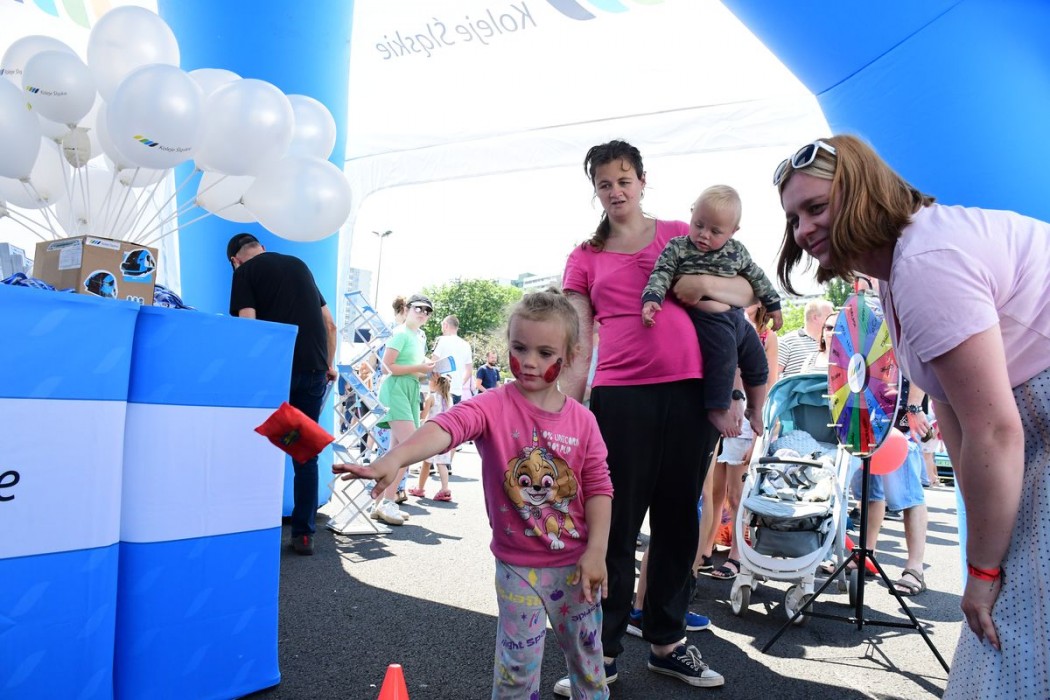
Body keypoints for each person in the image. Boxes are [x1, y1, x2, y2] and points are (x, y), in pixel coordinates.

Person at [775, 134, 1050, 699]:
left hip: (1030, 440)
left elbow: (995, 432)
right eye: (794, 217)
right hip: (1028, 448)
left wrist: (982, 571)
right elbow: (954, 413)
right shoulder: (896, 270)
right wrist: (983, 564)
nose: (801, 231)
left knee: (1011, 642)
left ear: (862, 191)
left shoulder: (925, 261)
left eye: (816, 207)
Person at [334, 291, 614, 700]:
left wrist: (598, 551)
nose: (529, 361)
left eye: (544, 352)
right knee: (516, 674)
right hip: (516, 566)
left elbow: (600, 487)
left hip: (575, 566)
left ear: (570, 356)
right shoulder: (492, 406)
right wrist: (394, 458)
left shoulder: (583, 422)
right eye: (519, 348)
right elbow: (447, 426)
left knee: (589, 666)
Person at [554, 139, 758, 695]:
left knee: (678, 521)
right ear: (595, 191)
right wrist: (566, 413)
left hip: (693, 396)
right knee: (614, 525)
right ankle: (603, 652)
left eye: (624, 180)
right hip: (620, 400)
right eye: (604, 183)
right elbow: (577, 340)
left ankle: (668, 643)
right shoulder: (584, 256)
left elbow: (743, 293)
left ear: (642, 181)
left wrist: (733, 388)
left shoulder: (679, 233)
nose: (615, 191)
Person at [227, 232, 338, 556]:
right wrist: (328, 365)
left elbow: (249, 328)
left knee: (258, 446)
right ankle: (303, 534)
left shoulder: (245, 273)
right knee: (304, 452)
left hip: (275, 374)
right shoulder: (299, 265)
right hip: (314, 370)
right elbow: (329, 323)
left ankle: (250, 527)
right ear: (261, 248)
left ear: (235, 260)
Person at [641, 184, 780, 436]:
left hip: (737, 317)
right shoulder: (678, 247)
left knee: (757, 360)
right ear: (692, 214)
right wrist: (652, 298)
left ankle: (755, 408)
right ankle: (717, 408)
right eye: (699, 225)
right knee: (724, 356)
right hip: (708, 319)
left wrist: (773, 305)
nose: (704, 235)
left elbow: (757, 277)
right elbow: (661, 273)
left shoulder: (736, 251)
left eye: (715, 231)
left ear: (733, 231)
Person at [702, 303, 780, 581]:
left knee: (737, 495)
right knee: (713, 491)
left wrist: (759, 435)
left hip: (746, 418)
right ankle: (705, 549)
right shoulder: (720, 320)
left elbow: (770, 383)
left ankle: (737, 554)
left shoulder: (766, 336)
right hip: (718, 410)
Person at [371, 293, 436, 526]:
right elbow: (387, 366)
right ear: (407, 309)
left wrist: (429, 369)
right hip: (396, 390)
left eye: (427, 311)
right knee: (408, 450)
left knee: (397, 451)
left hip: (409, 390)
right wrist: (420, 367)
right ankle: (386, 502)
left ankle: (380, 501)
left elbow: (413, 370)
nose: (423, 313)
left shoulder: (418, 337)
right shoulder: (400, 333)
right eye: (419, 308)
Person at [408, 373, 454, 501]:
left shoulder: (431, 397)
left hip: (431, 434)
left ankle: (420, 488)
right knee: (441, 463)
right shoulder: (448, 399)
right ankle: (445, 489)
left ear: (435, 383)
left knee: (426, 462)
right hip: (445, 434)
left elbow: (423, 416)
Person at [779, 298, 834, 377]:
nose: (832, 319)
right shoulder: (787, 342)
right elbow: (773, 376)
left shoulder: (833, 342)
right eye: (829, 316)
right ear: (815, 317)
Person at [433, 315, 474, 404]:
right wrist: (460, 383)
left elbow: (432, 363)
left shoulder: (442, 340)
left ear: (445, 325)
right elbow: (469, 370)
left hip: (441, 390)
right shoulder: (466, 345)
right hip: (457, 392)